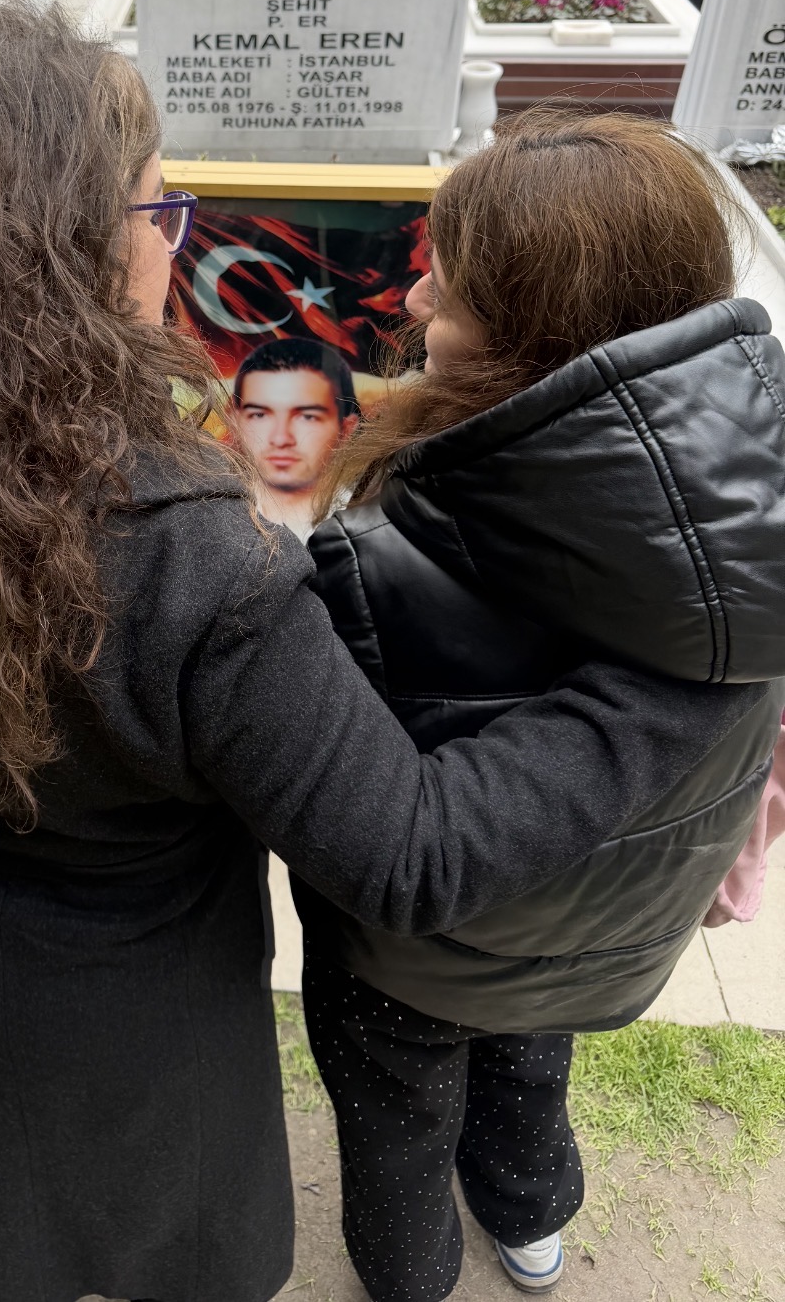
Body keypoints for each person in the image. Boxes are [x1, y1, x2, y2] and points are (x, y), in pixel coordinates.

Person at [0, 5, 772, 1302]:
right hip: (136, 1015)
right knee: (162, 1245)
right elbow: (412, 853)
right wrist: (671, 703)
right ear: (75, 254)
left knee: (0, 1231)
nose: (178, 238)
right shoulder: (193, 560)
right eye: (160, 212)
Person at [301, 112, 785, 1302]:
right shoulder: (755, 522)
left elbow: (369, 810)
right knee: (532, 1058)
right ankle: (531, 1221)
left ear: (531, 331)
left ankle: (411, 1273)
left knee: (398, 1108)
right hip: (608, 927)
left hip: (417, 963)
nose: (415, 298)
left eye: (450, 288)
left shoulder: (378, 552)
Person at [232, 336, 358, 538]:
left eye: (307, 417)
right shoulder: (203, 516)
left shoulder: (366, 527)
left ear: (346, 430)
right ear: (235, 422)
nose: (281, 439)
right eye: (259, 415)